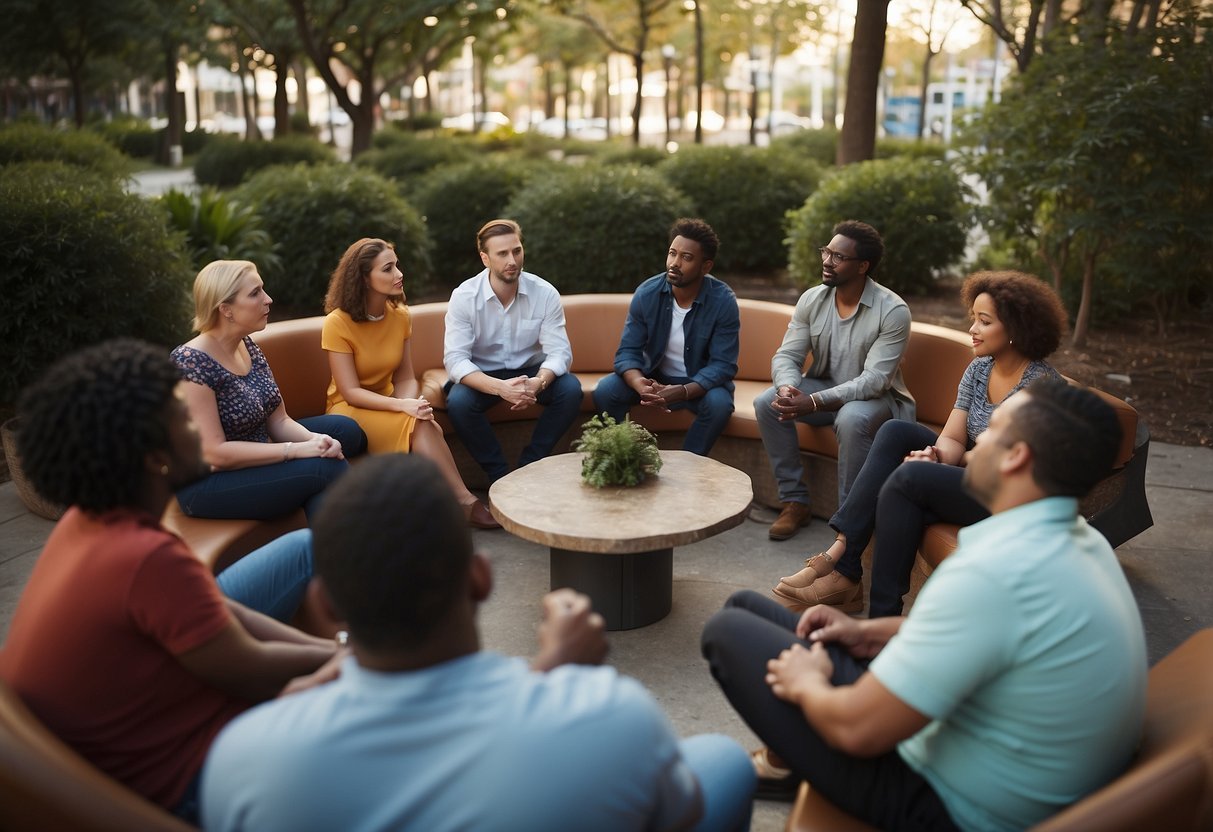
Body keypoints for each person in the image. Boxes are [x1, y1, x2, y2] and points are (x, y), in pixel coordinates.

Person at [200, 454, 757, 832]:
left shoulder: (244, 761)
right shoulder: (614, 714)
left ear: (324, 605)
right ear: (481, 578)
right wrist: (564, 682)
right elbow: (679, 812)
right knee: (724, 761)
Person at [701, 378, 1146, 831]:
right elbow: (995, 637)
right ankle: (793, 760)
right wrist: (865, 631)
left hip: (948, 803)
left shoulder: (995, 574)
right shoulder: (1081, 541)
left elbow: (858, 730)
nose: (980, 437)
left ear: (1017, 457)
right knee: (745, 607)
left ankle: (796, 760)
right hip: (980, 749)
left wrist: (807, 685)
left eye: (993, 428)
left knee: (728, 632)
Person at [0, 339, 342, 823]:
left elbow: (220, 611)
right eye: (182, 416)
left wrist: (341, 653)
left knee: (304, 550)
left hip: (150, 704)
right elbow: (251, 666)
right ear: (153, 455)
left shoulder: (92, 517)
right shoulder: (143, 559)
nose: (197, 427)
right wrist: (351, 664)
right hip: (179, 776)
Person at [772, 270, 1067, 613]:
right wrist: (936, 454)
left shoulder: (1040, 386)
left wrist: (934, 465)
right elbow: (956, 436)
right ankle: (845, 559)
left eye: (984, 321)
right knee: (896, 433)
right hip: (973, 468)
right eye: (973, 318)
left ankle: (852, 579)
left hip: (1007, 490)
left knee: (908, 481)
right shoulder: (979, 369)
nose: (972, 329)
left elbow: (1008, 459)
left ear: (1017, 328)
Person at [321, 237, 498, 529]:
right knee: (422, 424)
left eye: (397, 265)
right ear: (364, 278)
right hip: (349, 409)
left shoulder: (401, 316)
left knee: (423, 419)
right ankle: (464, 502)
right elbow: (350, 392)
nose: (399, 274)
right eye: (388, 269)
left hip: (391, 401)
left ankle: (451, 506)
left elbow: (404, 377)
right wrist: (402, 405)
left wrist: (411, 404)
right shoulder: (337, 323)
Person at [756, 220, 915, 541]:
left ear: (862, 267)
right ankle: (794, 501)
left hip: (876, 401)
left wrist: (813, 401)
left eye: (838, 257)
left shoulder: (893, 310)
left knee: (851, 418)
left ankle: (848, 521)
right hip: (825, 388)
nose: (827, 261)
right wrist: (788, 387)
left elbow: (876, 381)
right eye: (826, 252)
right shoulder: (812, 300)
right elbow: (787, 356)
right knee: (767, 402)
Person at [172, 260, 366, 522]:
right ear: (225, 309)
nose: (268, 299)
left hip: (260, 443)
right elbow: (214, 454)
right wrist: (297, 451)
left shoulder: (246, 345)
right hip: (208, 483)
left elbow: (279, 420)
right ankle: (363, 543)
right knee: (324, 468)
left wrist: (315, 442)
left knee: (345, 432)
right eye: (255, 293)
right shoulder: (190, 362)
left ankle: (327, 547)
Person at [443, 219, 583, 482]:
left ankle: (529, 467)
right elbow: (455, 360)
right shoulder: (464, 296)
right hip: (483, 373)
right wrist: (500, 388)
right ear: (485, 258)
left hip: (530, 370)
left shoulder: (545, 293)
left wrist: (538, 383)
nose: (513, 260)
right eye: (502, 254)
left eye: (517, 251)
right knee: (459, 402)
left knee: (570, 390)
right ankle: (499, 476)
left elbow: (560, 352)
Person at [592, 218, 739, 456]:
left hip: (697, 384)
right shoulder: (647, 293)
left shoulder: (723, 301)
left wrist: (681, 391)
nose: (675, 263)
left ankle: (689, 464)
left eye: (686, 258)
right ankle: (630, 456)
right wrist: (640, 384)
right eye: (672, 254)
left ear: (706, 266)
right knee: (606, 391)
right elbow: (627, 352)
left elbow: (723, 365)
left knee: (720, 405)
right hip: (654, 378)